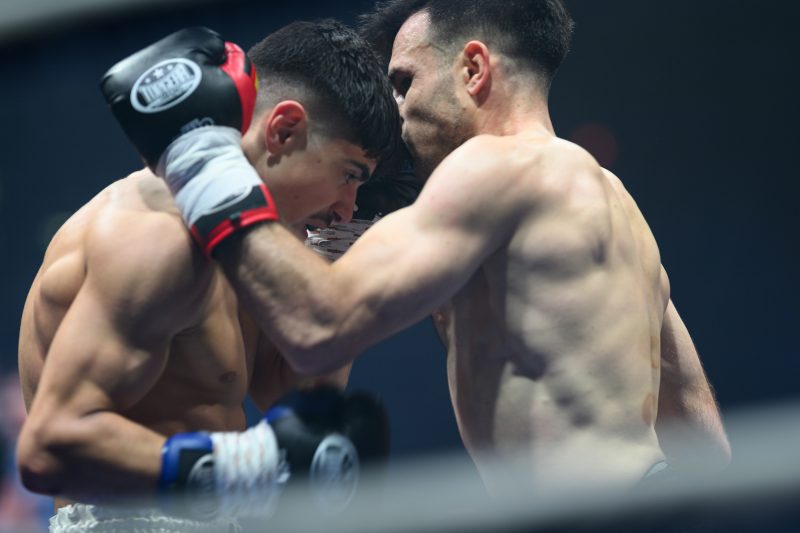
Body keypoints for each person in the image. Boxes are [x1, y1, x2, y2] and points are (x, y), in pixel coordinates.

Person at [112, 0, 731, 497]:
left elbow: (317, 324)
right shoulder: (615, 201)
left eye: (404, 82)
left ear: (473, 69)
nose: (396, 109)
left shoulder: (491, 166)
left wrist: (204, 159)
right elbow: (701, 433)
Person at [16, 20, 409, 532]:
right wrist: (246, 468)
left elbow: (283, 392)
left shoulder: (251, 245)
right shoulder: (157, 239)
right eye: (349, 175)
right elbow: (49, 447)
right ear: (283, 130)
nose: (349, 207)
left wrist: (334, 264)